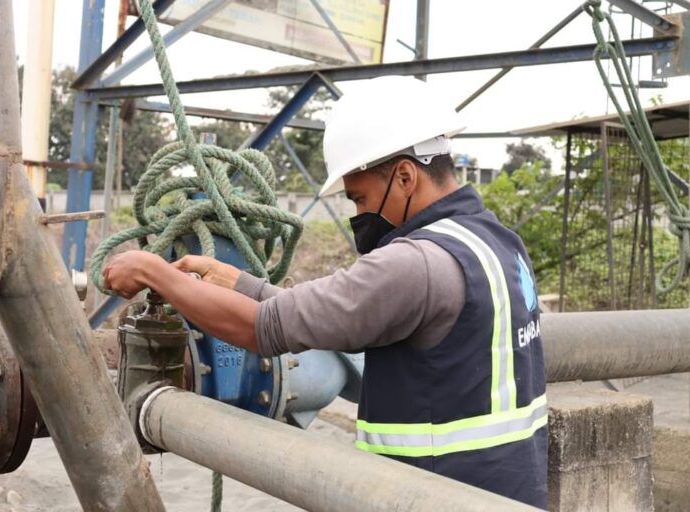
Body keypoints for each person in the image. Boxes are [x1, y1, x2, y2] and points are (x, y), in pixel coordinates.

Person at [103, 76, 548, 508]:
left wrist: (153, 271)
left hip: (434, 492)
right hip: (506, 490)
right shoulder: (496, 242)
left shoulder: (414, 264)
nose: (359, 212)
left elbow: (260, 330)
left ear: (407, 177)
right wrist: (243, 284)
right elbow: (330, 311)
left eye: (358, 198)